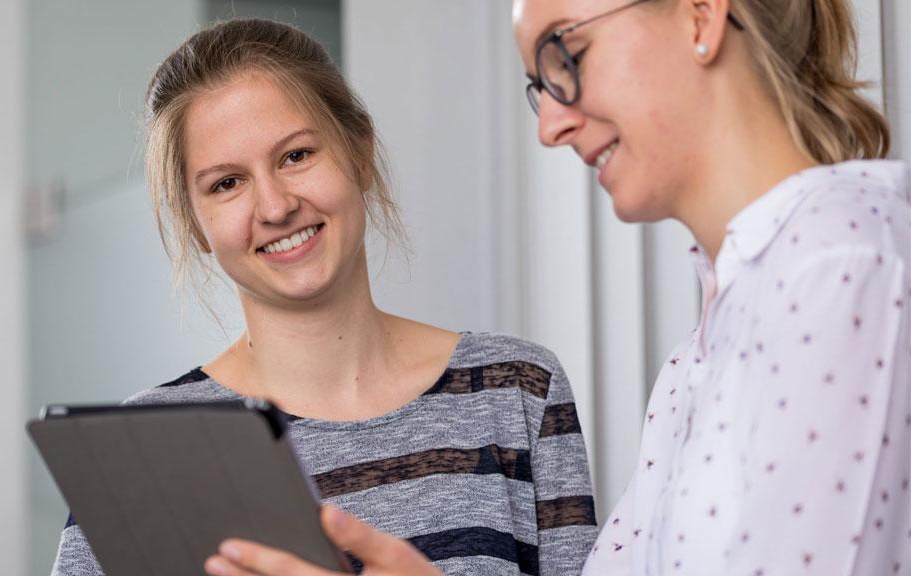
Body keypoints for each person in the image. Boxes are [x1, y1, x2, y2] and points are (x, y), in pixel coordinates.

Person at [205, 0, 910, 575]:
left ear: (699, 15)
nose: (548, 126)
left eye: (565, 55)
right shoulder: (707, 344)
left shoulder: (839, 261)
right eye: (538, 84)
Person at [50, 18, 599, 576]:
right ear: (194, 224)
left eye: (296, 156)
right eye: (226, 183)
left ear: (359, 150)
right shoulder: (140, 451)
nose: (274, 206)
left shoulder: (516, 388)